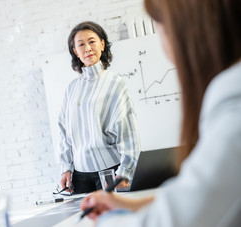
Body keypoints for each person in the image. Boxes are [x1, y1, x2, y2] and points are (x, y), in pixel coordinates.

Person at [81, 0, 241, 226]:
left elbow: (178, 220)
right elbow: (202, 197)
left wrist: (104, 222)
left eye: (161, 29)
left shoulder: (233, 102)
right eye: (80, 45)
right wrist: (131, 205)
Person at [58, 21, 141, 194]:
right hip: (79, 177)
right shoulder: (71, 89)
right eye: (81, 44)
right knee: (85, 221)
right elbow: (64, 132)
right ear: (75, 51)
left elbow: (128, 134)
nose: (87, 48)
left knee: (114, 221)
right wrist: (66, 167)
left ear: (102, 45)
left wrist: (125, 172)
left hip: (111, 173)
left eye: (92, 41)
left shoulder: (115, 84)